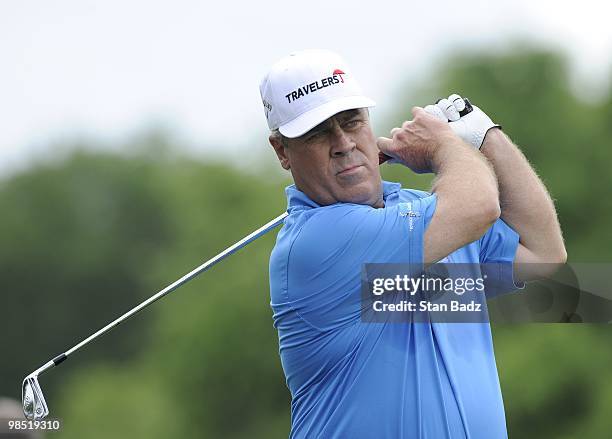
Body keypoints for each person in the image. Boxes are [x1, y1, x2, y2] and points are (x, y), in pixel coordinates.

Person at [260, 49, 566, 438]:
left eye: (352, 122)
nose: (343, 143)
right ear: (282, 150)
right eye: (318, 132)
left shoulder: (423, 213)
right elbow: (478, 205)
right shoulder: (316, 242)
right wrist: (445, 146)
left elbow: (544, 253)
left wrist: (486, 135)